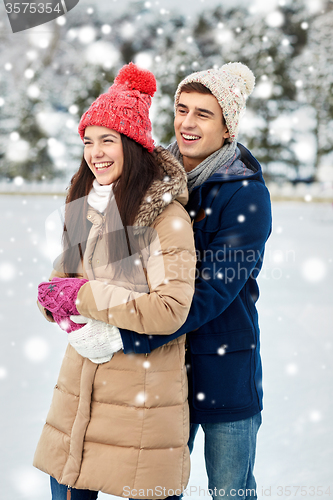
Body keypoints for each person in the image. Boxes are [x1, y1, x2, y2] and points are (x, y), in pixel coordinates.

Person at [108, 62, 272, 500]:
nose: (187, 123)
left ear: (227, 127)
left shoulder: (245, 191)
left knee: (230, 491)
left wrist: (138, 330)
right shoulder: (151, 177)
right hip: (163, 372)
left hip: (225, 369)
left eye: (204, 113)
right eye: (182, 109)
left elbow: (218, 286)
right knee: (154, 491)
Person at [34, 63, 196, 499]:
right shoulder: (85, 206)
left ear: (133, 145)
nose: (95, 152)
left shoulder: (167, 218)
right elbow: (60, 285)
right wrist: (58, 306)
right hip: (78, 402)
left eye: (108, 140)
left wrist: (84, 297)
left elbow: (170, 309)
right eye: (88, 141)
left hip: (140, 407)